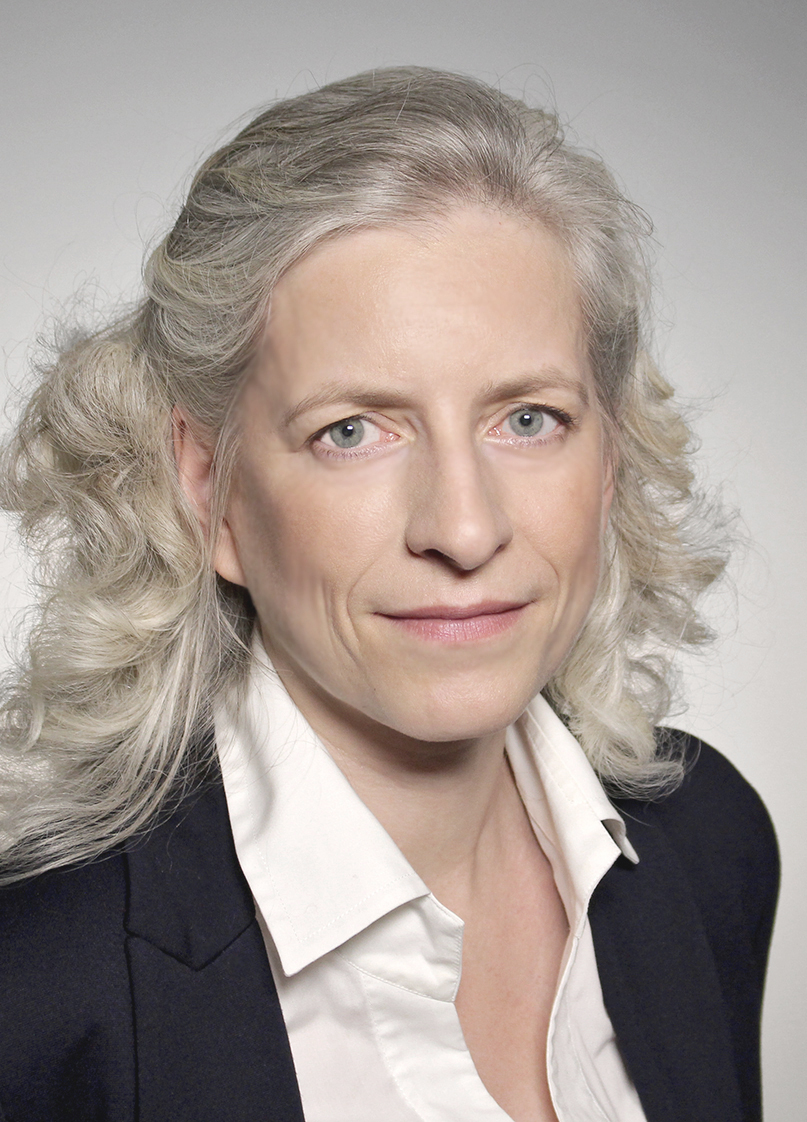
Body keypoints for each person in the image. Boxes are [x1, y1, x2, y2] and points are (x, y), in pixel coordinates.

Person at [0, 67, 777, 1122]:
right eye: (352, 431)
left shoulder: (711, 842)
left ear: (610, 454)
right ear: (209, 490)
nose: (463, 528)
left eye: (529, 419)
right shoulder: (35, 988)